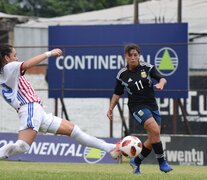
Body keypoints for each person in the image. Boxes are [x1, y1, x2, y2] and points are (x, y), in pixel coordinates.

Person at [0, 44, 120, 160]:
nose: (17, 58)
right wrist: (49, 53)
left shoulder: (4, 74)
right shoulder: (9, 67)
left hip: (37, 112)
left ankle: (110, 148)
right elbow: (27, 64)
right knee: (23, 146)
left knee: (74, 130)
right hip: (30, 108)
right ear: (6, 58)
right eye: (15, 55)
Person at [107, 43, 172, 175]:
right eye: (130, 55)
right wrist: (110, 108)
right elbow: (117, 93)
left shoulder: (147, 68)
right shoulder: (122, 74)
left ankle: (136, 161)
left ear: (139, 56)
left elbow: (162, 78)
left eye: (135, 55)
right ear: (125, 56)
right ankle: (162, 162)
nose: (133, 57)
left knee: (154, 137)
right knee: (154, 130)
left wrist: (160, 83)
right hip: (137, 107)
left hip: (152, 105)